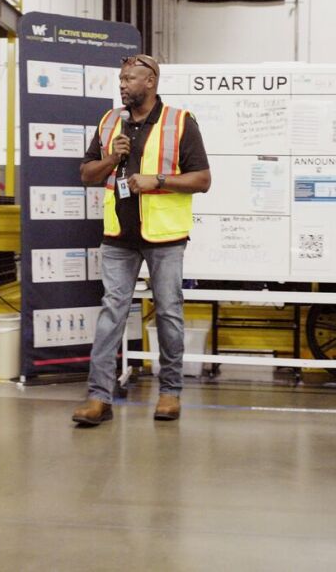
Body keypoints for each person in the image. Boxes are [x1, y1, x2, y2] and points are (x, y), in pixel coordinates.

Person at [72, 54, 211, 425]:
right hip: (118, 235)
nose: (122, 84)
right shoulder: (109, 122)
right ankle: (99, 398)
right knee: (111, 313)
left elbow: (202, 180)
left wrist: (158, 181)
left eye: (129, 78)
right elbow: (87, 174)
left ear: (150, 82)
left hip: (164, 237)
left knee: (168, 312)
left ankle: (170, 393)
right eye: (120, 78)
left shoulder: (180, 122)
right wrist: (109, 159)